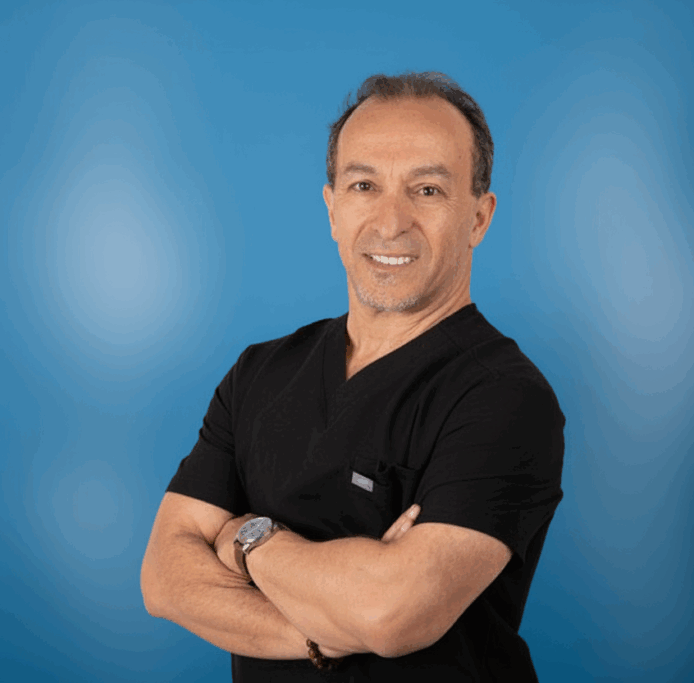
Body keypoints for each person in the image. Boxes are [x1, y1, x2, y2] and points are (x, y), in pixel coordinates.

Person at [140, 71, 565, 682]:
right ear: (332, 207)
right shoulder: (261, 371)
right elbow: (164, 577)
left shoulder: (505, 397)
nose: (391, 223)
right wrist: (331, 630)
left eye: (427, 190)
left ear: (478, 216)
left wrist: (246, 539)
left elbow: (392, 613)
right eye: (364, 184)